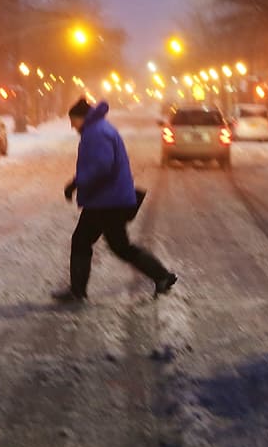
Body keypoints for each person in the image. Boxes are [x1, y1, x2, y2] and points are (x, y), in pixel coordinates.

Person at [53, 97, 176, 304]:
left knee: (85, 241)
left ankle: (78, 291)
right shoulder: (99, 128)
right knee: (116, 245)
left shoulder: (96, 132)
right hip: (108, 198)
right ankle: (162, 276)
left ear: (82, 118)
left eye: (73, 120)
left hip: (106, 200)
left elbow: (102, 165)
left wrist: (76, 183)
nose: (72, 126)